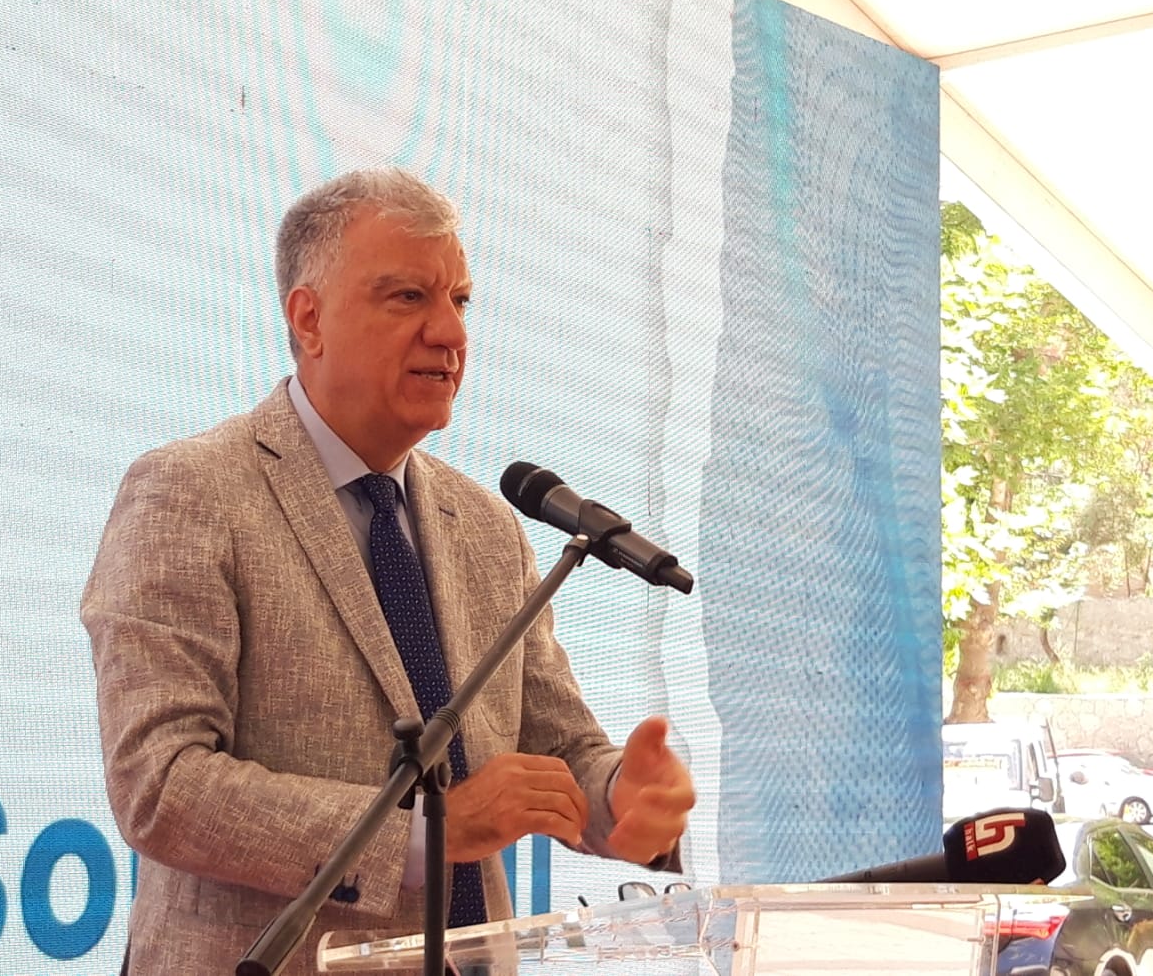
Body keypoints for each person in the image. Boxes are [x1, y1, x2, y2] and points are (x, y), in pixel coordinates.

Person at [82, 167, 695, 974]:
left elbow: (559, 748)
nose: (450, 332)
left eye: (461, 300)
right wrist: (424, 833)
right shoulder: (192, 493)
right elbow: (160, 783)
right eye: (409, 297)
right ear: (309, 318)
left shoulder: (488, 527)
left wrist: (620, 796)